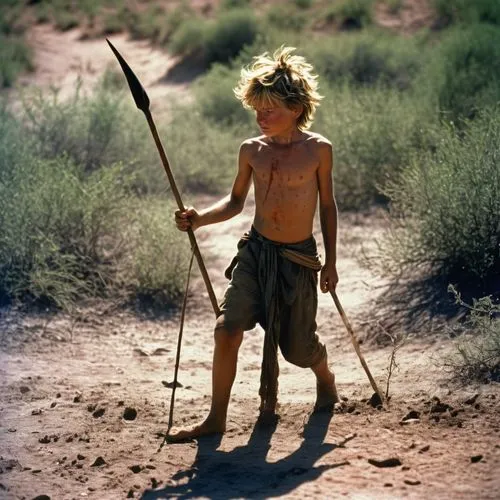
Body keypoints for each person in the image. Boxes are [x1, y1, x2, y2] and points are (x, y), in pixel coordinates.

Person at [169, 46, 339, 442]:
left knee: (297, 350)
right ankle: (215, 418)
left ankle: (325, 374)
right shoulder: (251, 150)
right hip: (256, 253)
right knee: (227, 330)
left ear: (296, 109)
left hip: (298, 260)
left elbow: (328, 206)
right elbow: (235, 203)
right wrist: (198, 218)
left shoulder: (318, 150)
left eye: (270, 109)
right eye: (257, 109)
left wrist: (330, 263)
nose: (261, 117)